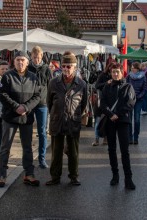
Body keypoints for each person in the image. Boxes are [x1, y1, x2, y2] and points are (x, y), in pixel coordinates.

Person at [0, 51, 41, 187]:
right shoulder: (7, 76)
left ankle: (29, 174)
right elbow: (3, 95)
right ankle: (1, 175)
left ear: (27, 62)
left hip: (26, 118)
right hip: (10, 117)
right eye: (17, 60)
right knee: (5, 147)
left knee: (27, 147)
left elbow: (37, 96)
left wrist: (25, 107)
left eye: (23, 60)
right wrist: (16, 107)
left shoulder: (33, 77)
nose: (20, 62)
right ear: (13, 62)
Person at [46, 52, 88, 186]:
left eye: (69, 66)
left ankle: (74, 176)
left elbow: (83, 104)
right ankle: (55, 177)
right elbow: (49, 103)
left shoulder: (81, 83)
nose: (66, 69)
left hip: (73, 121)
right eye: (64, 66)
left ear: (74, 67)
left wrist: (75, 115)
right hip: (57, 120)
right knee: (56, 151)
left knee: (73, 151)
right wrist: (55, 114)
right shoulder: (53, 82)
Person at [100, 63, 136, 190]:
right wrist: (110, 114)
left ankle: (128, 178)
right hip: (110, 121)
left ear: (122, 72)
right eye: (113, 72)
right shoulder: (107, 87)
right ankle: (115, 175)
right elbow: (102, 103)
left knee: (125, 150)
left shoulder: (128, 86)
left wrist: (118, 114)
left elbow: (131, 103)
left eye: (117, 72)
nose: (115, 74)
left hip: (123, 121)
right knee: (111, 149)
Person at [28, 46, 51, 169]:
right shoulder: (28, 68)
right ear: (31, 56)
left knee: (42, 132)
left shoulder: (46, 69)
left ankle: (41, 158)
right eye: (34, 57)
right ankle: (29, 158)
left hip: (42, 103)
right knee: (28, 130)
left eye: (38, 57)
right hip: (29, 103)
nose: (36, 59)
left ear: (42, 56)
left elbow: (50, 85)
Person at [94, 62, 115, 145]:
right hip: (100, 101)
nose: (114, 72)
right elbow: (97, 86)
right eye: (112, 69)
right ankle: (96, 139)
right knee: (98, 121)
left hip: (110, 103)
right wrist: (106, 83)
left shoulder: (116, 76)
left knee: (107, 121)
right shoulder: (103, 75)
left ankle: (105, 139)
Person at [126, 62, 147, 144]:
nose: (132, 69)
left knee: (137, 119)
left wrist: (138, 96)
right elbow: (126, 86)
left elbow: (144, 89)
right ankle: (130, 137)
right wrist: (129, 96)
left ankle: (136, 137)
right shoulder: (129, 76)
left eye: (133, 68)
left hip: (139, 100)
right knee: (129, 119)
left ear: (137, 69)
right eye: (131, 68)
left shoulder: (143, 77)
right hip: (130, 100)